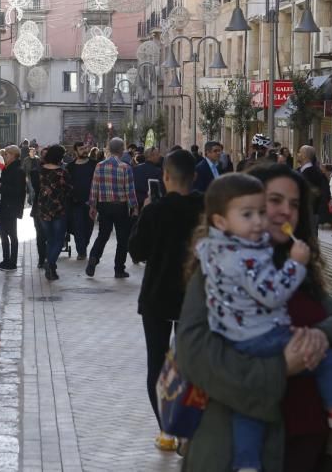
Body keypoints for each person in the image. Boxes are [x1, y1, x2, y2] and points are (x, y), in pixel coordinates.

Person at [176, 163, 332, 471]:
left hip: (310, 449)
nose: (285, 212)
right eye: (274, 201)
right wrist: (281, 367)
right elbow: (194, 354)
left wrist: (322, 335)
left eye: (294, 205)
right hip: (241, 449)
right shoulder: (221, 271)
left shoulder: (299, 269)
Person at [128, 149, 203, 452]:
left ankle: (166, 431)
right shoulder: (206, 208)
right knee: (192, 364)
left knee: (157, 363)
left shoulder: (155, 211)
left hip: (158, 294)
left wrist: (147, 210)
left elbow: (137, 251)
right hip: (195, 297)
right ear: (195, 177)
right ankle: (189, 431)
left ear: (165, 176)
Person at [86, 137, 138, 279]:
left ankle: (94, 257)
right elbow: (130, 190)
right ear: (121, 150)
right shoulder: (125, 167)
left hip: (104, 206)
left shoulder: (99, 166)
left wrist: (92, 206)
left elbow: (94, 187)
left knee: (103, 235)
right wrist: (134, 206)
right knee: (122, 239)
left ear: (109, 149)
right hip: (120, 207)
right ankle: (119, 269)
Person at [36, 145, 73, 281]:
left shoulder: (40, 171)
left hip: (43, 208)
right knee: (58, 240)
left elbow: (36, 187)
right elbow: (69, 190)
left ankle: (51, 267)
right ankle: (50, 263)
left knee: (50, 239)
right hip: (59, 209)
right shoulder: (62, 173)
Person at [0, 145, 26, 271]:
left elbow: (18, 191)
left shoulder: (18, 170)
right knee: (3, 234)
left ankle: (12, 262)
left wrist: (1, 186)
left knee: (12, 234)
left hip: (10, 207)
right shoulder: (8, 168)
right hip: (4, 205)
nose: (4, 156)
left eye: (7, 154)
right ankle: (6, 259)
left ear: (13, 155)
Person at [65, 144, 97, 260]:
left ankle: (83, 246)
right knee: (78, 227)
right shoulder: (70, 166)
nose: (84, 151)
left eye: (85, 148)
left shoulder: (94, 164)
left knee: (89, 227)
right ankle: (81, 251)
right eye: (81, 149)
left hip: (91, 202)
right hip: (75, 202)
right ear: (75, 152)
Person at [298, 145, 330, 233]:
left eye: (300, 152)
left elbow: (323, 194)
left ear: (305, 155)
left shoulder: (315, 173)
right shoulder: (299, 171)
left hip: (310, 213)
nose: (298, 154)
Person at [31, 147, 49, 267]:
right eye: (43, 156)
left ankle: (49, 258)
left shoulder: (59, 170)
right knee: (40, 235)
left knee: (49, 235)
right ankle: (42, 258)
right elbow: (37, 188)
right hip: (39, 207)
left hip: (52, 208)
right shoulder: (35, 171)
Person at [132, 146, 163, 210]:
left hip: (136, 204)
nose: (159, 156)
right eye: (157, 154)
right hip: (151, 206)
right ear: (151, 156)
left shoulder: (135, 169)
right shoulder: (158, 171)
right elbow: (161, 190)